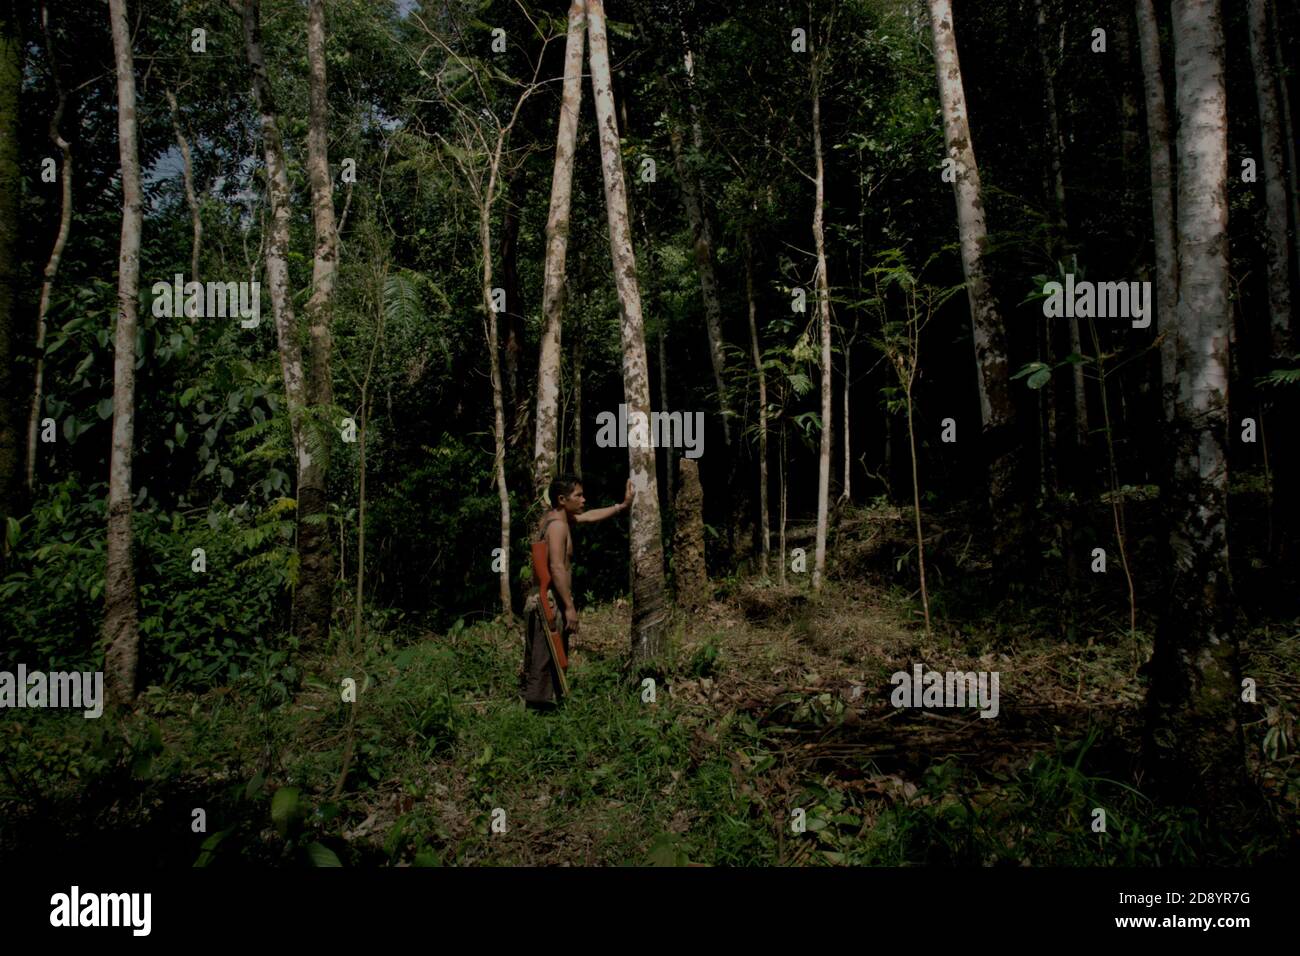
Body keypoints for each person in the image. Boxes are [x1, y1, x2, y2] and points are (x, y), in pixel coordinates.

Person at [522, 474, 634, 709]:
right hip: (548, 601)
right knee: (544, 663)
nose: (583, 500)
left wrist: (621, 507)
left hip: (543, 599)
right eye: (578, 495)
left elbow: (589, 516)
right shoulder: (558, 526)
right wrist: (570, 607)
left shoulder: (555, 519)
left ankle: (545, 712)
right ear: (562, 499)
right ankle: (539, 719)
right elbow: (556, 566)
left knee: (545, 661)